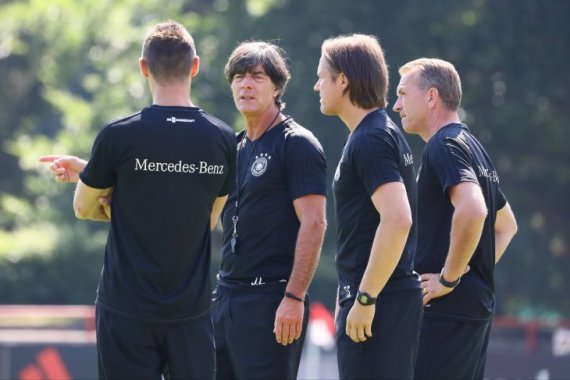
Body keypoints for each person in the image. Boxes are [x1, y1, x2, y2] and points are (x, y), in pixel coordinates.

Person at [39, 21, 236, 379]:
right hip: (190, 313)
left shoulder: (118, 135)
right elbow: (203, 220)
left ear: (143, 67)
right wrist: (103, 176)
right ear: (195, 65)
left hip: (125, 309)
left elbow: (82, 208)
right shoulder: (223, 139)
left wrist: (101, 182)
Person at [392, 58, 518, 379]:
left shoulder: (443, 145)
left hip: (444, 315)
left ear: (432, 97)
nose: (396, 105)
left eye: (403, 94)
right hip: (469, 311)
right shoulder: (474, 147)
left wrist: (448, 279)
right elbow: (506, 226)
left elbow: (474, 210)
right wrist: (471, 273)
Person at [212, 41, 327, 380]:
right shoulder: (233, 146)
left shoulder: (297, 143)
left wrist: (293, 297)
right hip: (226, 298)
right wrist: (99, 174)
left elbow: (315, 222)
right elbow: (188, 203)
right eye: (238, 76)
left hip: (272, 300)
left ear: (277, 86)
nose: (245, 84)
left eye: (256, 77)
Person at [314, 34, 423, 379]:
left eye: (322, 76)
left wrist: (365, 299)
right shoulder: (377, 132)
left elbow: (397, 219)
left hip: (379, 304)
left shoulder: (371, 138)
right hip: (381, 300)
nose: (317, 86)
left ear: (343, 80)